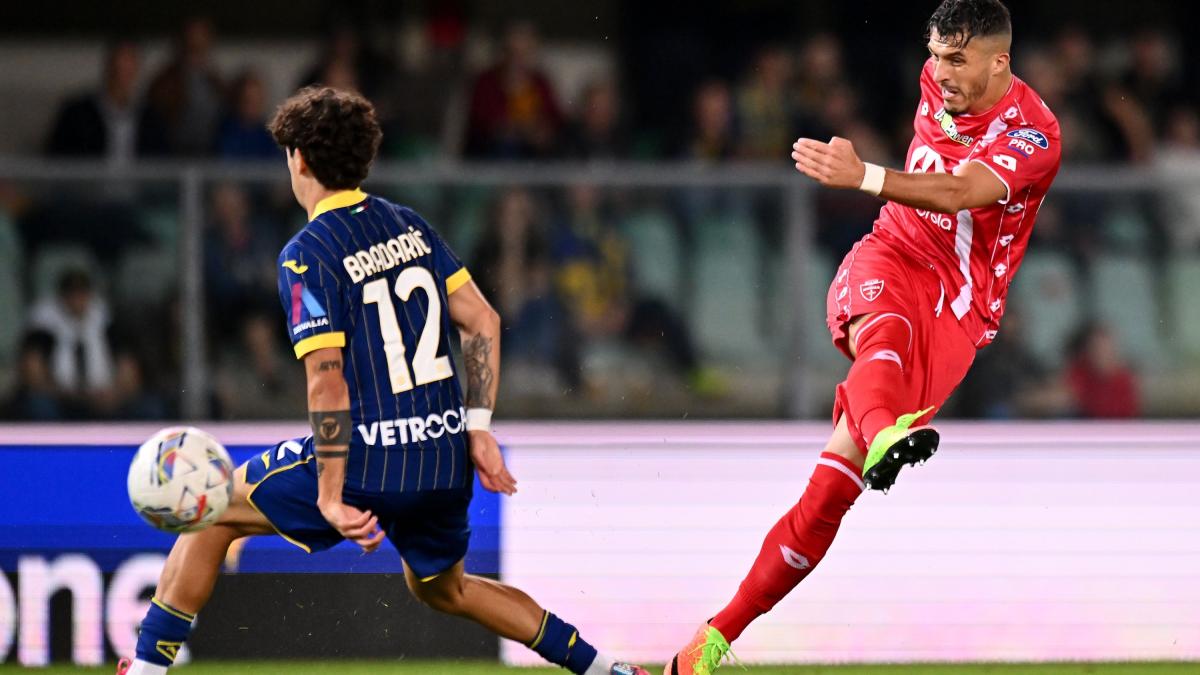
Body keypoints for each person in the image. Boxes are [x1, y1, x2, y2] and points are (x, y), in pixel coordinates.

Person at [116, 86, 648, 675]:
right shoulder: (409, 226)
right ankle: (609, 671)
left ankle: (144, 671)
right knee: (447, 590)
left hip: (367, 460)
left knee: (213, 511)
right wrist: (477, 429)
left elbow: (326, 378)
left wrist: (329, 489)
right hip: (442, 458)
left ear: (299, 160)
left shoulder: (305, 253)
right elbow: (483, 320)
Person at [665, 1, 1062, 672]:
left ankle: (707, 641)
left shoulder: (1034, 133)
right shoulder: (936, 82)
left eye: (956, 59)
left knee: (828, 497)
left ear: (1001, 61)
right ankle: (885, 430)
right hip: (889, 257)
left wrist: (867, 176)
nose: (939, 70)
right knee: (885, 331)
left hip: (959, 316)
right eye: (934, 54)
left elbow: (964, 191)